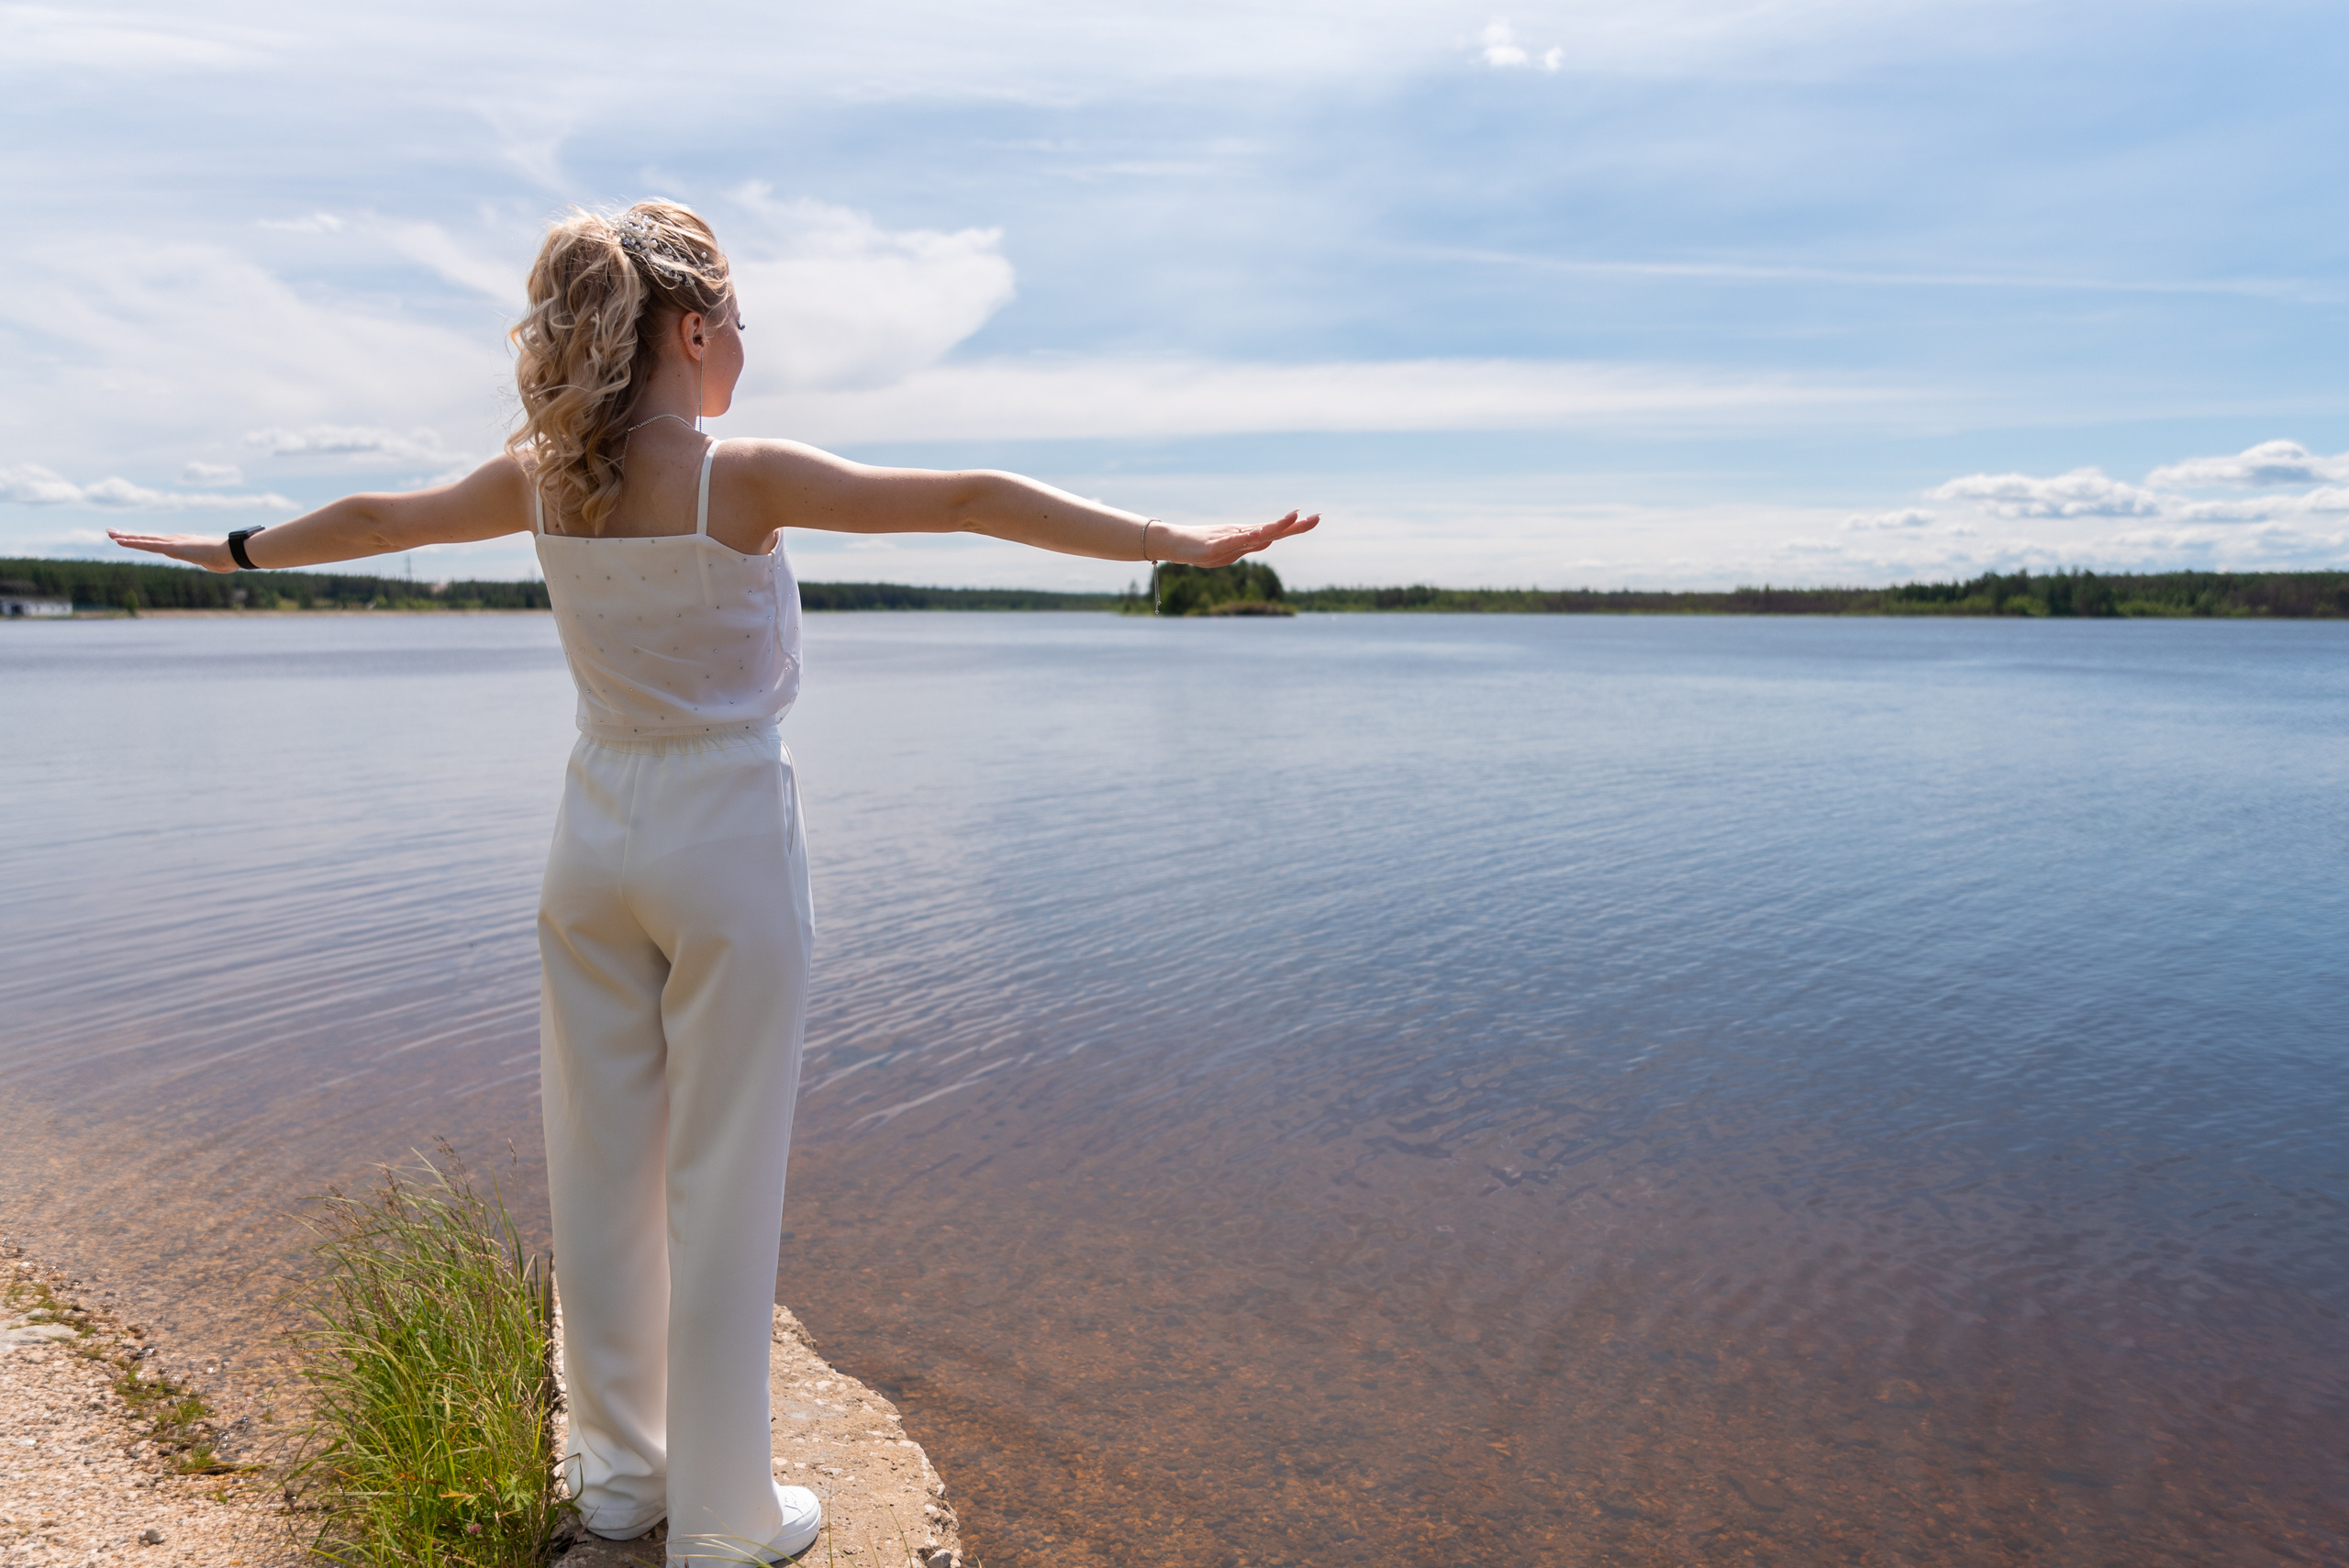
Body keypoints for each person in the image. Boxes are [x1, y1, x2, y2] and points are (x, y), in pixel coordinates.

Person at [111, 199, 1317, 1564]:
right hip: (726, 830)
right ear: (693, 328)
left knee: (600, 1161)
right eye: (740, 321)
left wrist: (239, 551)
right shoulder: (735, 475)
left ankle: (621, 1480)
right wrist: (1186, 540)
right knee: (724, 1176)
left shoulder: (542, 473)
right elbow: (976, 499)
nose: (747, 343)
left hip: (592, 832)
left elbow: (388, 517)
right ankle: (726, 1521)